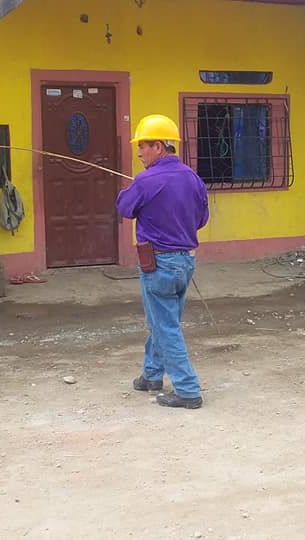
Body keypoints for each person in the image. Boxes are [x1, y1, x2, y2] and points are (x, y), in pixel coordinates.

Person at [116, 114, 209, 409]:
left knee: (165, 325)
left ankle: (188, 390)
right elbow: (202, 219)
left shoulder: (145, 179)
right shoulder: (192, 178)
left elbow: (124, 208)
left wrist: (132, 188)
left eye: (142, 146)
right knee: (164, 321)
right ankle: (151, 375)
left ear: (158, 146)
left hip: (159, 264)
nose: (139, 152)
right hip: (186, 261)